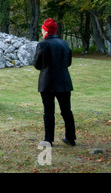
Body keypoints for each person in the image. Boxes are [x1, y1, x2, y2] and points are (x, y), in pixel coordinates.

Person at [34, 18, 76, 147]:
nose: (42, 32)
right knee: (66, 110)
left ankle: (49, 139)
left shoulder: (43, 45)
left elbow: (37, 64)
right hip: (64, 82)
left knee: (48, 111)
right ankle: (70, 137)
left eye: (42, 29)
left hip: (47, 83)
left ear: (46, 30)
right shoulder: (64, 44)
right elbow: (68, 62)